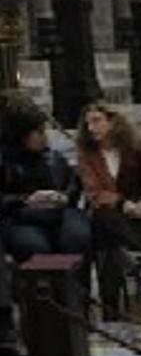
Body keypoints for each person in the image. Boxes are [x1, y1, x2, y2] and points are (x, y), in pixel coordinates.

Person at [76, 104, 141, 318]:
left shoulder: (136, 150)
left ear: (111, 122)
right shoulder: (87, 155)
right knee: (107, 220)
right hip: (110, 212)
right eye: (88, 123)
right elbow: (94, 192)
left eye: (97, 121)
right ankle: (138, 268)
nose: (92, 128)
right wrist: (123, 204)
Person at [0, 102, 91, 284]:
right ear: (22, 136)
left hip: (60, 212)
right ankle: (48, 293)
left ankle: (75, 293)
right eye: (38, 132)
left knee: (77, 238)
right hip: (21, 217)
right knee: (34, 247)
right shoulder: (6, 162)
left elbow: (72, 185)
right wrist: (27, 199)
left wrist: (64, 196)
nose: (44, 137)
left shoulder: (53, 157)